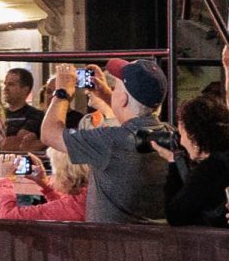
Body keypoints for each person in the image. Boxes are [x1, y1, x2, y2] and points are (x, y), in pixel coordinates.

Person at [44, 58, 171, 224]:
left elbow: (49, 134)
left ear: (124, 99)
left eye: (116, 88)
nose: (112, 90)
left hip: (113, 244)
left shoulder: (111, 141)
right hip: (157, 242)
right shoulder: (170, 134)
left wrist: (62, 93)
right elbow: (133, 117)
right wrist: (106, 96)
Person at [164, 91, 229, 227]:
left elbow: (175, 215)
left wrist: (173, 162)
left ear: (194, 136)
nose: (181, 142)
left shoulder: (213, 168)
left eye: (182, 134)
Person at [0, 154, 90, 222]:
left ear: (66, 173)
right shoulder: (88, 195)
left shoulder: (77, 205)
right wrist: (45, 184)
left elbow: (7, 218)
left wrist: (3, 180)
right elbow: (67, 208)